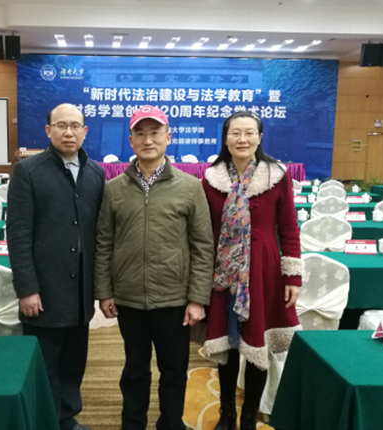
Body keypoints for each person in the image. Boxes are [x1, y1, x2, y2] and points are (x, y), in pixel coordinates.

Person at [94, 105, 214, 430]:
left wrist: (197, 298)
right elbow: (104, 243)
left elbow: (203, 246)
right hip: (129, 298)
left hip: (174, 299)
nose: (148, 140)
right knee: (135, 370)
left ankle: (171, 424)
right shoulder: (113, 189)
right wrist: (104, 291)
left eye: (155, 133)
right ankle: (132, 424)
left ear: (168, 137)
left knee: (174, 371)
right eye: (141, 133)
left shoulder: (191, 187)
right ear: (131, 140)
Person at [201, 111, 303, 430]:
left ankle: (249, 416)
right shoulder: (212, 178)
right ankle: (227, 413)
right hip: (224, 274)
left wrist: (292, 276)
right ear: (225, 138)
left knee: (259, 345)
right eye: (235, 133)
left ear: (259, 137)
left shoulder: (276, 175)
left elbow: (289, 228)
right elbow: (204, 230)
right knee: (227, 346)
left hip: (263, 271)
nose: (242, 139)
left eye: (249, 133)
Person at [6, 103, 105, 430]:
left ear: (85, 131)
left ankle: (66, 419)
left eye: (75, 126)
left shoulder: (95, 173)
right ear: (48, 131)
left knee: (73, 363)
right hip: (44, 291)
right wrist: (27, 289)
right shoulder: (28, 171)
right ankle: (47, 422)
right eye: (61, 125)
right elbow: (18, 234)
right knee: (45, 365)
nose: (69, 132)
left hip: (79, 293)